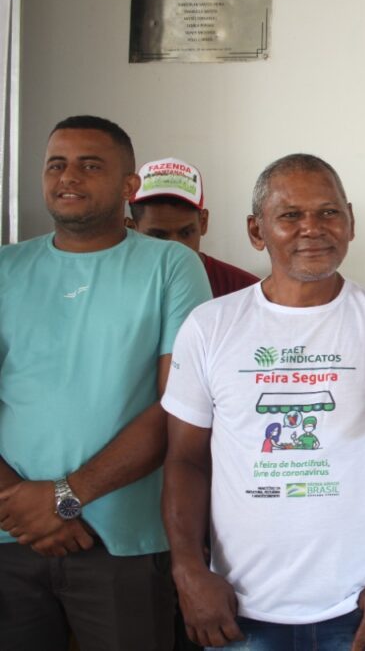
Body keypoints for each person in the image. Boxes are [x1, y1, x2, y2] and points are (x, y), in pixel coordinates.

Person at [161, 153, 365, 650]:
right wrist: (188, 569)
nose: (312, 228)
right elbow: (185, 460)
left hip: (361, 613)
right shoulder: (209, 327)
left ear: (350, 221)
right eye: (290, 215)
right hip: (237, 611)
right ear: (256, 231)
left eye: (328, 212)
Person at [0, 115, 211, 651]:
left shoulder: (171, 266)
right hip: (10, 536)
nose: (68, 177)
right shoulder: (5, 268)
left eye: (90, 165)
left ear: (128, 186)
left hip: (124, 541)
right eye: (56, 164)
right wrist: (19, 506)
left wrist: (66, 497)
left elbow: (179, 405)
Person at [128, 157, 260, 297]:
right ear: (131, 230)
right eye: (159, 236)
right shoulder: (117, 289)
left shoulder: (247, 292)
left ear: (203, 222)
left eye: (186, 233)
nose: (176, 249)